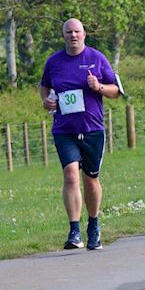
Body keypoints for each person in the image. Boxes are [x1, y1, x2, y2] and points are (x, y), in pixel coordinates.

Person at [40, 18, 124, 250]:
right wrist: (46, 101)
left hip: (92, 128)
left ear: (84, 34)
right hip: (64, 129)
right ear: (63, 36)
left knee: (91, 179)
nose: (73, 35)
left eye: (77, 31)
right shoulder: (54, 62)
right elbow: (44, 86)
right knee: (70, 175)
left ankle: (93, 225)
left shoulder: (97, 58)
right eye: (69, 32)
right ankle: (74, 230)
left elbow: (116, 91)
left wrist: (98, 87)